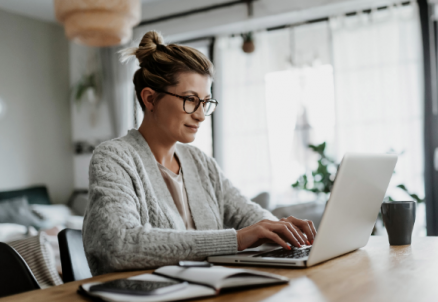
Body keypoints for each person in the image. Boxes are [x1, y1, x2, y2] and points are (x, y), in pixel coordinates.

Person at [82, 31, 317, 276]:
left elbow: (247, 214)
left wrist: (279, 229)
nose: (201, 115)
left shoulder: (200, 162)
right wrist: (235, 240)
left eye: (205, 102)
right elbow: (120, 244)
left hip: (205, 295)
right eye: (191, 100)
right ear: (150, 99)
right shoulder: (114, 157)